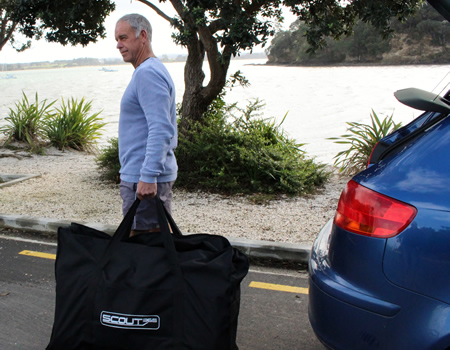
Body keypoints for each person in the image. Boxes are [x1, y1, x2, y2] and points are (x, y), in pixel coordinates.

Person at [115, 14, 177, 235]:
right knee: (153, 249)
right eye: (117, 39)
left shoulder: (148, 73)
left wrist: (148, 177)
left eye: (123, 37)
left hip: (143, 181)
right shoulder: (149, 71)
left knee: (144, 250)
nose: (118, 45)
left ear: (143, 36)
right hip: (142, 178)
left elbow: (161, 129)